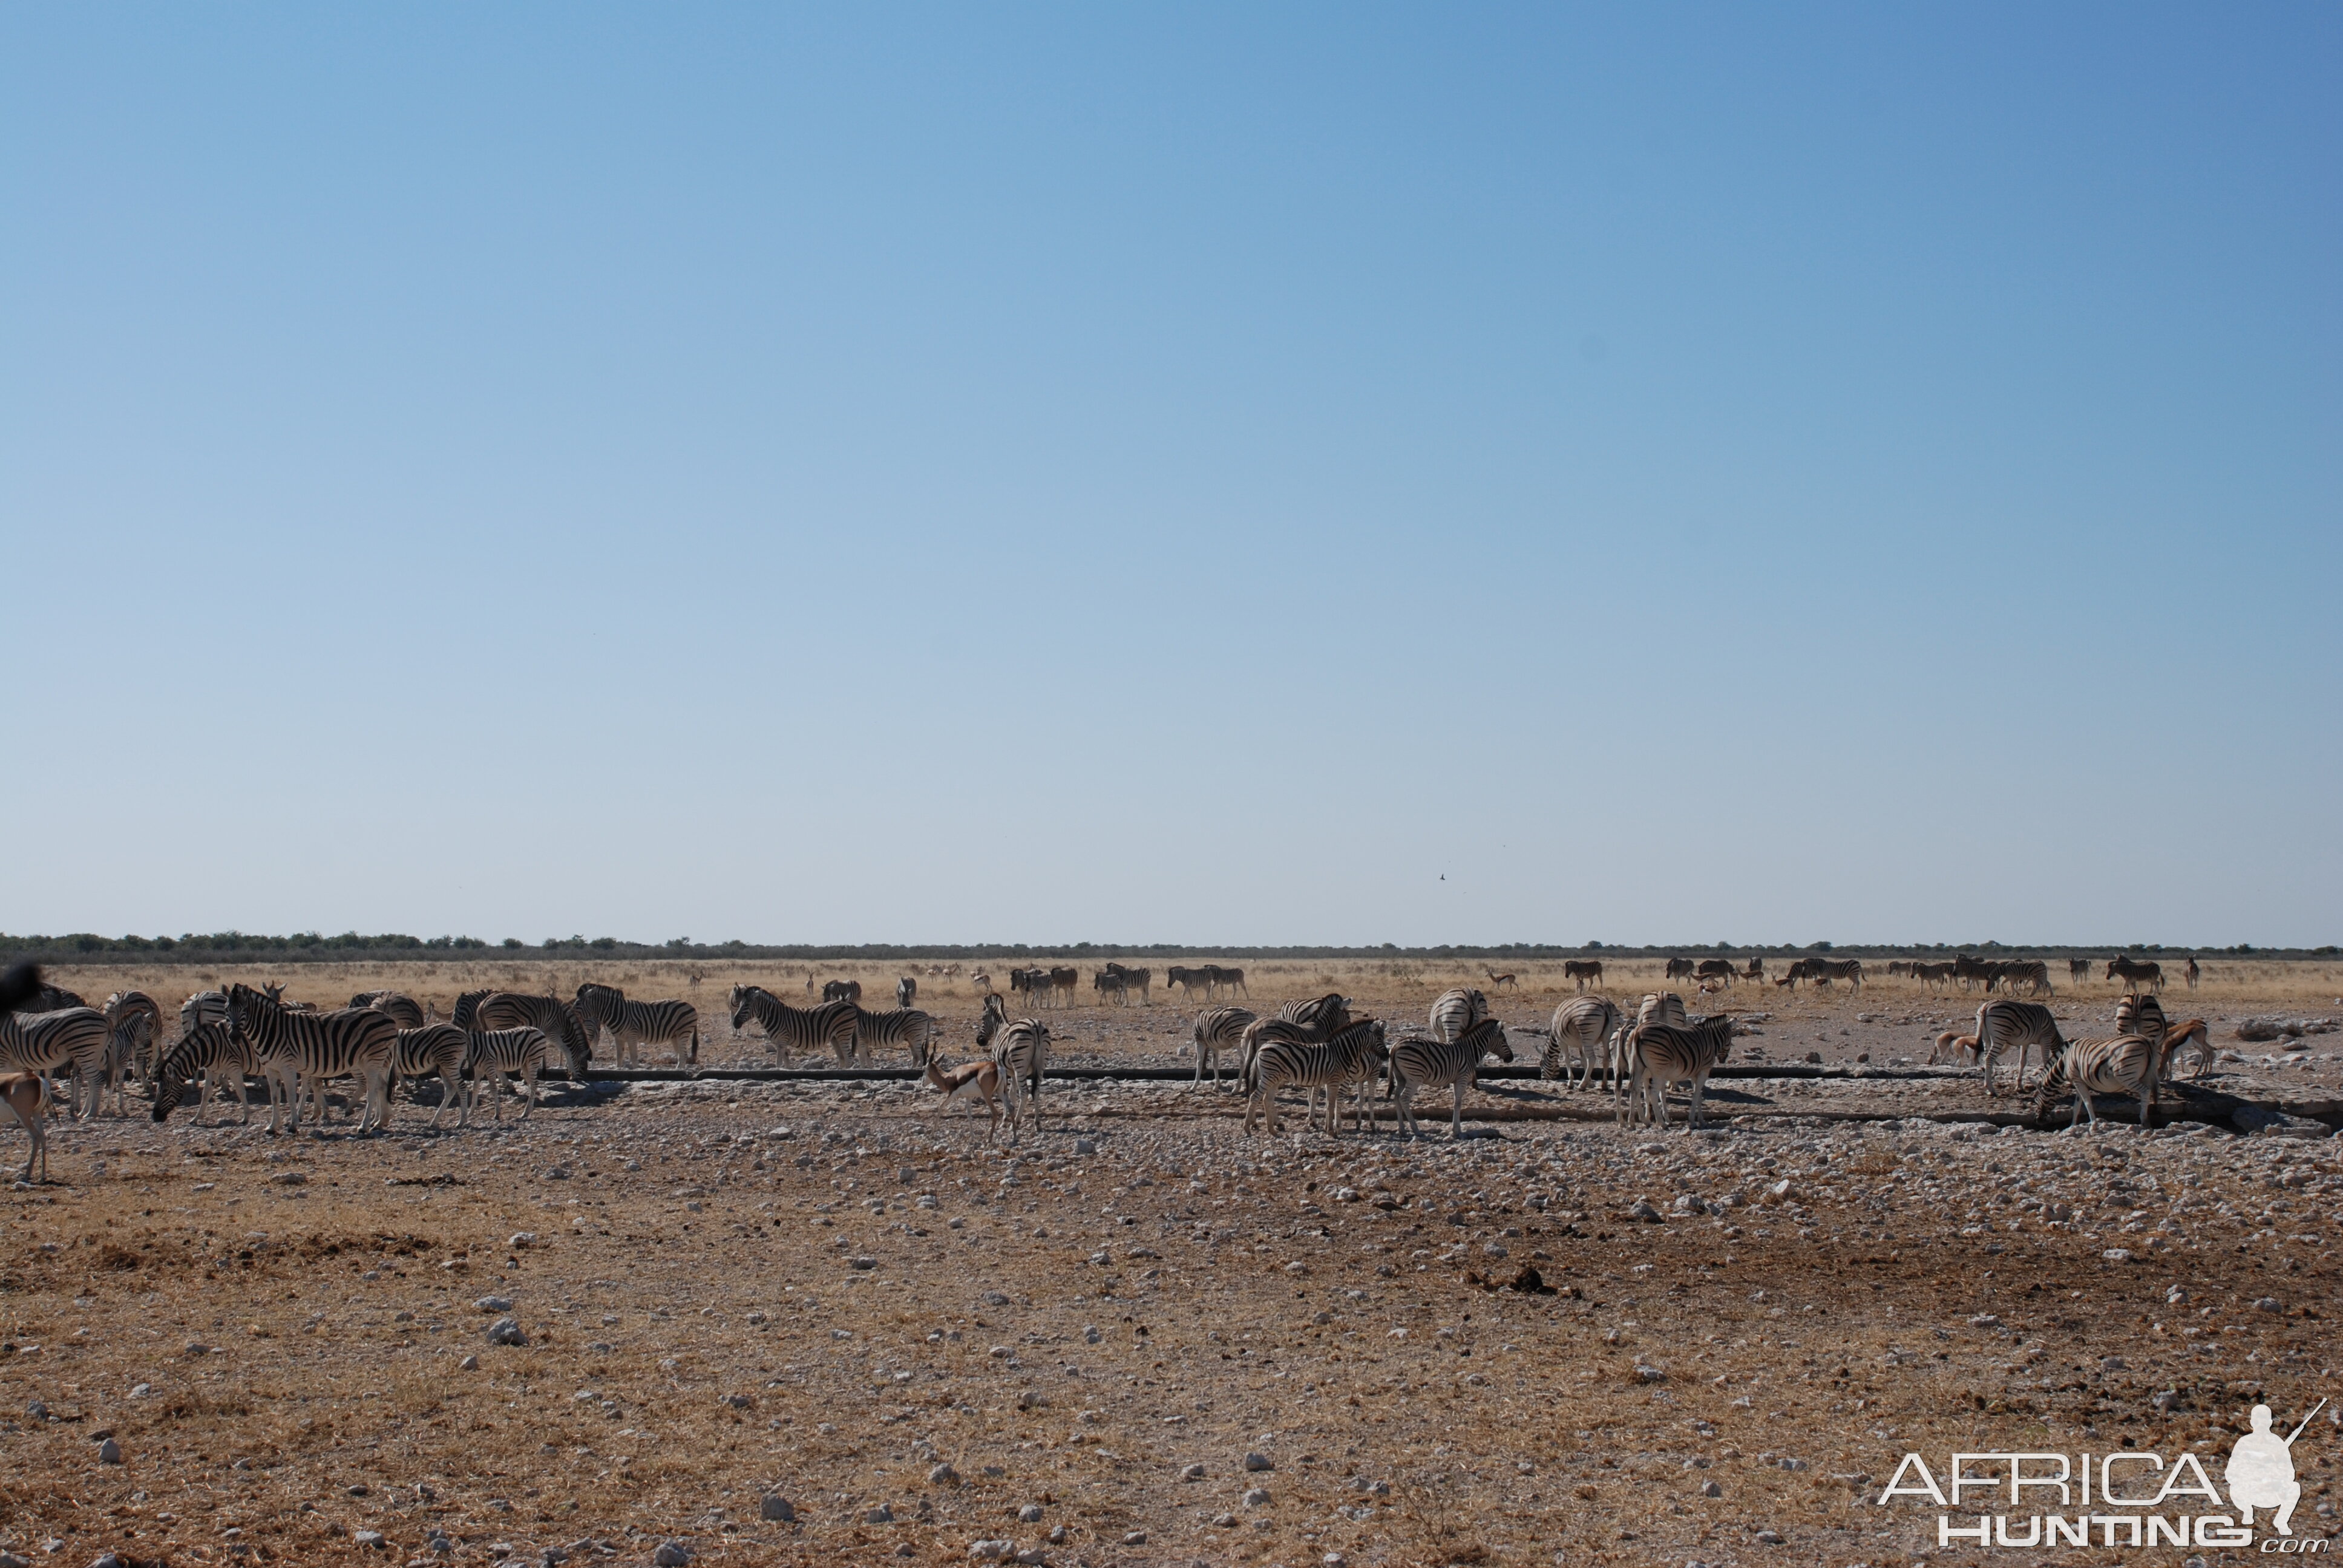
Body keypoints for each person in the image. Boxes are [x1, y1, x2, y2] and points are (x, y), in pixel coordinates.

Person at [2225, 1403, 2302, 1535]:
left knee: (2295, 1487)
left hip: (2271, 1492)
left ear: (2270, 1423)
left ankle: (2281, 1521)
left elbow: (2290, 1474)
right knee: (2235, 1487)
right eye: (2257, 1421)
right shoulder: (2243, 1443)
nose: (2261, 1425)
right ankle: (2247, 1511)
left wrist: (2274, 1475)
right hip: (2249, 1491)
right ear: (2252, 1423)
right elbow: (2230, 1474)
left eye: (2264, 1421)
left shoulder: (2278, 1443)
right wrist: (2251, 1474)